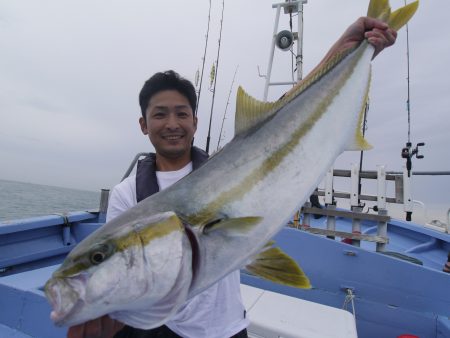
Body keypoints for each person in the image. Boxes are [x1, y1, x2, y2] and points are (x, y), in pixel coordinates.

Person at [67, 16, 397, 338]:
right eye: (160, 114)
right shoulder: (128, 194)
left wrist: (349, 48)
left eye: (182, 114)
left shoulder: (229, 166)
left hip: (225, 327)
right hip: (158, 330)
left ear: (195, 123)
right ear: (143, 124)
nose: (172, 124)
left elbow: (286, 113)